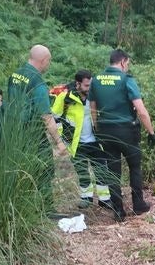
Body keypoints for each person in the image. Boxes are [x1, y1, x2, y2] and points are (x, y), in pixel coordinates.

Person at [89, 49, 155, 222]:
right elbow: (140, 110)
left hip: (106, 131)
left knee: (113, 171)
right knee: (135, 166)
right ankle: (138, 204)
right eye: (127, 64)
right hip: (126, 130)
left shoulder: (95, 81)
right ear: (123, 62)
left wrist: (97, 129)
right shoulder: (126, 80)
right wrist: (151, 131)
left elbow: (93, 109)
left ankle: (118, 211)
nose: (127, 67)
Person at [7, 45, 68, 215]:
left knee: (22, 168)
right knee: (45, 168)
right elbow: (46, 117)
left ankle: (22, 206)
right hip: (32, 132)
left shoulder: (15, 75)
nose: (48, 65)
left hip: (14, 130)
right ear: (43, 60)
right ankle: (46, 209)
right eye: (49, 61)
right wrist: (59, 143)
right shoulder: (37, 82)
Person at [51, 70, 113, 210]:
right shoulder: (65, 97)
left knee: (102, 170)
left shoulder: (95, 96)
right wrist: (63, 138)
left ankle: (104, 199)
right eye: (86, 86)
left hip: (96, 141)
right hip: (76, 142)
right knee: (82, 172)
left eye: (91, 85)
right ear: (78, 84)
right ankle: (86, 198)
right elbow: (54, 118)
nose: (89, 88)